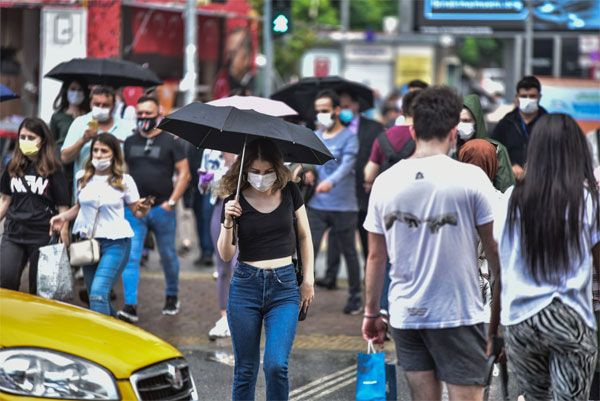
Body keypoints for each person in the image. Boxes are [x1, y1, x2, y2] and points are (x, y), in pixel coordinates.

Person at [362, 86, 501, 401]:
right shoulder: (472, 179)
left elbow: (375, 257)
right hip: (460, 312)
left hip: (407, 314)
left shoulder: (385, 182)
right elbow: (494, 253)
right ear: (454, 132)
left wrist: (372, 313)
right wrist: (497, 321)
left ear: (412, 129)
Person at [493, 113, 599, 400]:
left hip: (520, 320)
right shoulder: (588, 200)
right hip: (570, 317)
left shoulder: (509, 201)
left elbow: (500, 271)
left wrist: (493, 332)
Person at [217, 138, 314, 401]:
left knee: (276, 365)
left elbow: (305, 236)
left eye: (267, 171)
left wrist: (308, 281)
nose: (261, 177)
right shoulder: (234, 199)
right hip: (245, 286)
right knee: (245, 369)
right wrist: (227, 220)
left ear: (278, 169)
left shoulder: (290, 191)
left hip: (284, 287)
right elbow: (226, 254)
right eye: (255, 172)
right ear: (244, 170)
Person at [49, 133, 151, 316]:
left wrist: (144, 208)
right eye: (95, 150)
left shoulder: (124, 180)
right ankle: (117, 330)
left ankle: (104, 342)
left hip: (116, 243)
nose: (98, 154)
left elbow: (137, 211)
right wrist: (62, 217)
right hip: (87, 244)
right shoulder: (83, 177)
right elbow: (80, 207)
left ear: (114, 154)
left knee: (97, 294)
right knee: (95, 296)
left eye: (104, 151)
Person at [117, 95, 190, 323]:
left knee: (168, 256)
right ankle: (130, 305)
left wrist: (171, 202)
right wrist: (127, 201)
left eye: (148, 113)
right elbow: (123, 173)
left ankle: (172, 296)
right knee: (132, 257)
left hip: (162, 209)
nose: (144, 118)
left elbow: (184, 174)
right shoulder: (129, 142)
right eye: (140, 114)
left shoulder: (171, 141)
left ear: (158, 113)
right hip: (135, 209)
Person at [306, 90, 362, 314]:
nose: (321, 115)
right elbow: (306, 161)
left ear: (337, 111)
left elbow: (348, 164)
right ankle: (300, 296)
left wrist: (330, 182)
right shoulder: (314, 136)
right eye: (318, 111)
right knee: (308, 250)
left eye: (325, 110)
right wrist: (306, 172)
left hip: (344, 206)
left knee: (349, 253)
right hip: (316, 206)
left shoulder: (350, 137)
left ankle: (355, 297)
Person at [321, 90, 383, 292]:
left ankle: (369, 279)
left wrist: (373, 178)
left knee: (366, 238)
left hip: (365, 191)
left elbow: (380, 156)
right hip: (339, 193)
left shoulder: (374, 128)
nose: (345, 111)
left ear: (357, 106)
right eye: (342, 107)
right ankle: (330, 276)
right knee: (336, 237)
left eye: (349, 106)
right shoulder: (330, 129)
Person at [0, 118, 70, 294]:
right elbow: (5, 200)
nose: (25, 141)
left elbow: (63, 207)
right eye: (22, 137)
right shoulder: (13, 166)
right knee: (5, 280)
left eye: (31, 137)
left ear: (43, 140)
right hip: (14, 233)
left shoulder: (53, 169)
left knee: (39, 289)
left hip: (42, 236)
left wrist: (64, 233)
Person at [61, 86, 135, 198]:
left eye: (105, 105)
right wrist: (83, 140)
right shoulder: (80, 123)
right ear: (91, 103)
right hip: (85, 197)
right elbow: (65, 158)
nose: (100, 108)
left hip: (116, 198)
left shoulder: (126, 127)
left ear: (113, 106)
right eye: (97, 104)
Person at [199, 149, 237, 339]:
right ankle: (225, 317)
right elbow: (203, 188)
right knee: (222, 266)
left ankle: (240, 316)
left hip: (244, 208)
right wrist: (205, 181)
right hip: (219, 207)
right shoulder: (209, 151)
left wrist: (228, 169)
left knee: (238, 265)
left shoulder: (247, 147)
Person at [492, 75, 547, 181]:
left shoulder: (548, 123)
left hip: (542, 182)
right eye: (524, 96)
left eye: (532, 96)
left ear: (539, 97)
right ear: (517, 97)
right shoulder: (506, 123)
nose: (528, 99)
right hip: (512, 182)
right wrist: (509, 166)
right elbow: (493, 152)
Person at [363, 90, 419, 189]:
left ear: (402, 111)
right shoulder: (429, 137)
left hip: (388, 192)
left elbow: (369, 174)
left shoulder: (383, 137)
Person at [459, 94, 514, 192]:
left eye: (466, 121)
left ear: (477, 122)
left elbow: (505, 188)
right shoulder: (451, 148)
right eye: (458, 121)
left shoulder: (495, 149)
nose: (461, 125)